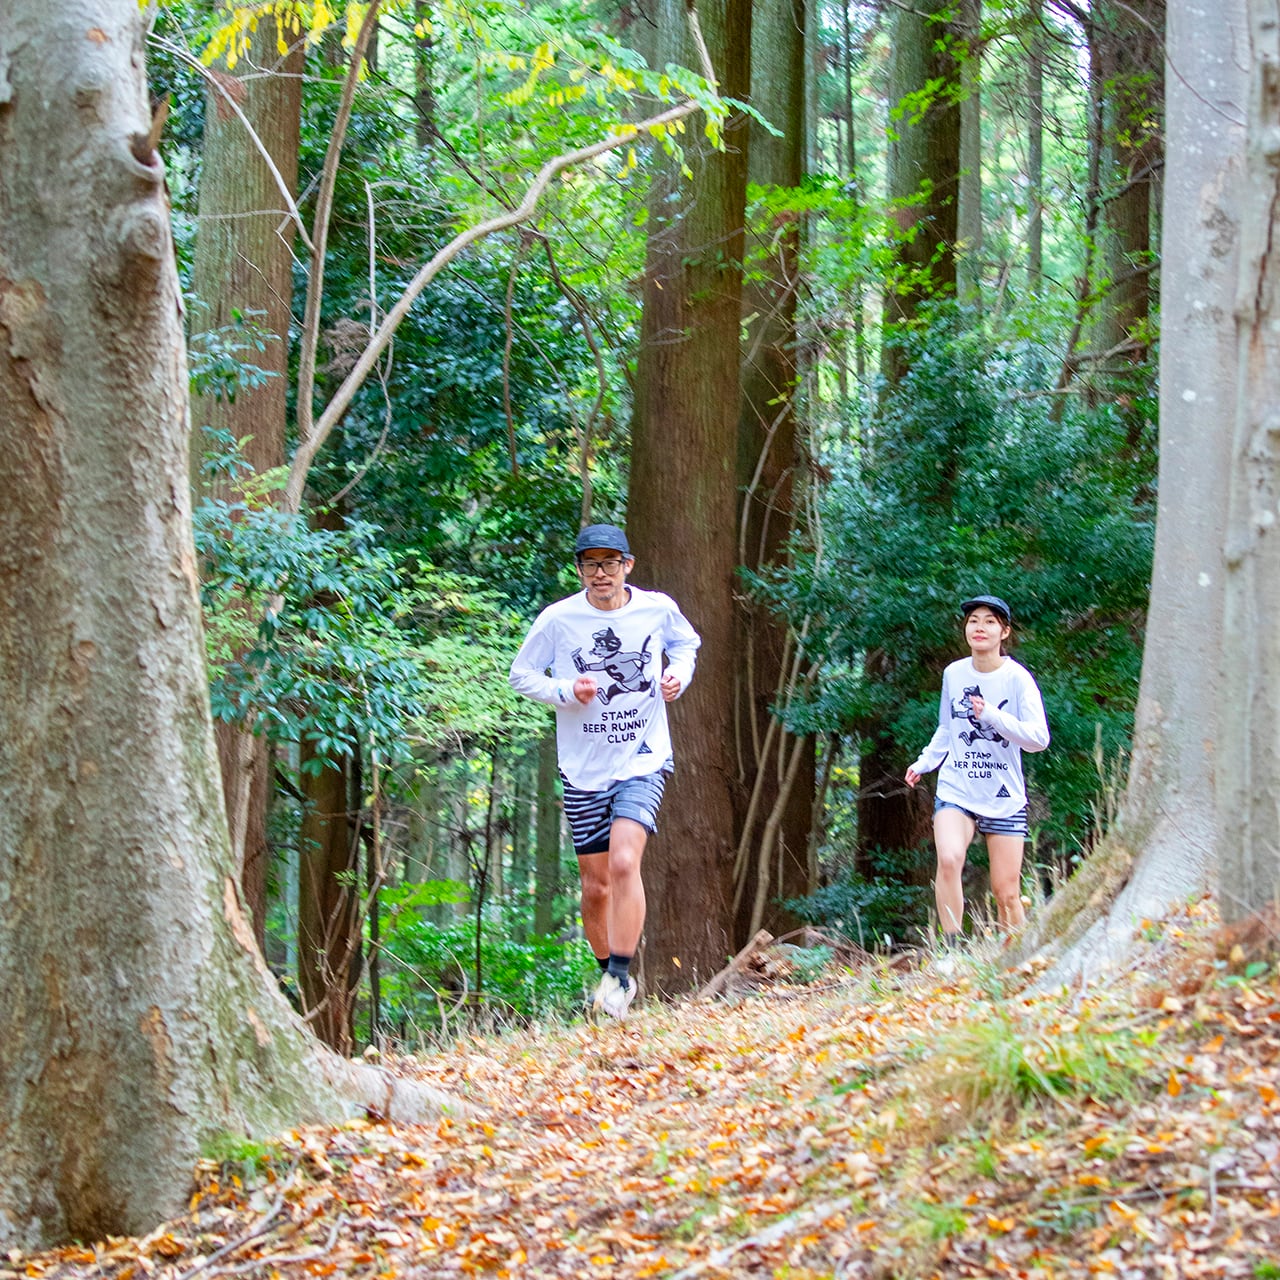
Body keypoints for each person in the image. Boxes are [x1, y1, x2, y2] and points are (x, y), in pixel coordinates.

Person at [509, 523, 700, 1019]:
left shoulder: (657, 608)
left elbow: (686, 644)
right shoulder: (558, 619)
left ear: (627, 565)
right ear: (580, 570)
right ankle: (608, 972)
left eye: (610, 562)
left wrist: (678, 675)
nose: (600, 573)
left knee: (623, 864)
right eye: (590, 564)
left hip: (643, 757)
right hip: (583, 767)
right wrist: (566, 691)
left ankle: (618, 976)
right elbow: (521, 675)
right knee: (595, 887)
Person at [905, 595, 1049, 950]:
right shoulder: (954, 674)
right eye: (973, 621)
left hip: (1004, 796)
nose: (979, 627)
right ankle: (951, 951)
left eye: (989, 621)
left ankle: (1014, 959)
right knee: (950, 859)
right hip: (958, 789)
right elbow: (947, 728)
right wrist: (925, 762)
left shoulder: (1018, 679)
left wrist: (992, 716)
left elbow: (1038, 738)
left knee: (1007, 892)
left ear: (1005, 631)